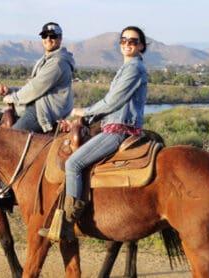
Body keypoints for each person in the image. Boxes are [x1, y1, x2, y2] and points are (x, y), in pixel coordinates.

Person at [39, 26, 148, 241]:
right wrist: (84, 119)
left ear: (141, 46)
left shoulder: (134, 68)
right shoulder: (127, 67)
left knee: (73, 164)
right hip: (114, 124)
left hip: (120, 130)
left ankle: (67, 223)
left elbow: (113, 102)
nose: (127, 43)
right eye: (123, 39)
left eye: (133, 41)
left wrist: (85, 111)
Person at [0, 22, 75, 133]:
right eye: (45, 36)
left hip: (43, 112)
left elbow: (35, 88)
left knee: (9, 140)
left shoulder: (57, 63)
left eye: (52, 36)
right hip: (38, 107)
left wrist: (13, 98)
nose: (48, 39)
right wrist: (10, 90)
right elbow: (35, 87)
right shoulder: (46, 59)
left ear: (60, 38)